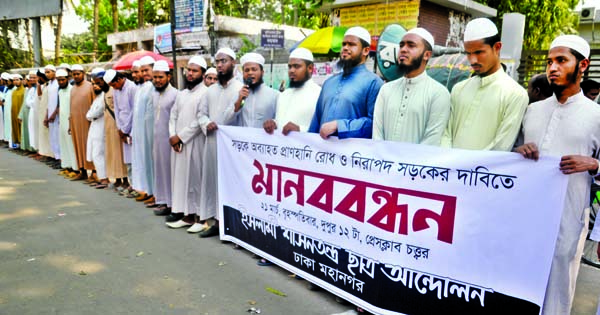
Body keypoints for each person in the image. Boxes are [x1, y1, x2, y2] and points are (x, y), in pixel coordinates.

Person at [514, 35, 600, 315]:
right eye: (550, 61)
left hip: (570, 215)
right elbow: (512, 159)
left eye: (561, 60)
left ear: (582, 65)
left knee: (558, 288)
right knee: (520, 279)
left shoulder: (596, 115)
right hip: (527, 213)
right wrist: (519, 150)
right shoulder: (532, 111)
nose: (552, 67)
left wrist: (594, 164)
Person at [441, 18, 528, 151]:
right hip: (450, 168)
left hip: (483, 170)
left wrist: (468, 168)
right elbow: (446, 133)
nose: (472, 60)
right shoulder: (459, 89)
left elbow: (502, 146)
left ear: (497, 47)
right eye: (468, 53)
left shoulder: (516, 94)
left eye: (478, 52)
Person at [372, 27, 450, 145]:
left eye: (411, 45)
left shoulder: (439, 93)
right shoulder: (386, 90)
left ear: (427, 55)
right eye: (401, 45)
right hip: (384, 162)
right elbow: (377, 135)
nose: (403, 49)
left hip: (417, 162)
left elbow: (432, 141)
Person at [196, 47, 244, 237]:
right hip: (212, 143)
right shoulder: (210, 91)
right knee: (213, 181)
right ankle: (216, 221)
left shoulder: (241, 88)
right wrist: (206, 123)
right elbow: (201, 114)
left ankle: (232, 224)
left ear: (233, 62)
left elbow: (233, 117)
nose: (220, 65)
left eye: (224, 61)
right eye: (217, 62)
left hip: (232, 147)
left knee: (231, 183)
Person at [308, 26, 383, 139]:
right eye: (344, 44)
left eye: (351, 44)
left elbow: (374, 124)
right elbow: (316, 122)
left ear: (366, 50)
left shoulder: (374, 83)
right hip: (323, 153)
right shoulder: (329, 83)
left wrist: (340, 126)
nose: (345, 48)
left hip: (353, 154)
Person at [165, 56, 208, 231]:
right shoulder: (182, 94)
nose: (190, 74)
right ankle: (187, 215)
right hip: (179, 144)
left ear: (203, 74)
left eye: (194, 70)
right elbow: (172, 116)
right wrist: (172, 135)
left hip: (195, 143)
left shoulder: (206, 93)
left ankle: (201, 219)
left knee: (196, 180)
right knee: (181, 180)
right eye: (188, 70)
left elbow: (200, 121)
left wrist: (180, 136)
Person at [263, 47, 321, 135]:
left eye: (297, 66)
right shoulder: (284, 94)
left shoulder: (319, 94)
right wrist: (274, 123)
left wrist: (300, 129)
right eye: (290, 67)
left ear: (310, 68)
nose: (291, 71)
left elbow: (323, 129)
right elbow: (281, 121)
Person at [148, 60, 177, 211]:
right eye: (155, 77)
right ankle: (163, 200)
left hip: (170, 140)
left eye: (160, 77)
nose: (157, 80)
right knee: (159, 170)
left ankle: (172, 204)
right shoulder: (154, 94)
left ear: (169, 77)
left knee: (169, 171)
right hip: (157, 139)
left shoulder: (175, 95)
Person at [95, 68, 128, 190]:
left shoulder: (114, 92)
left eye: (99, 83)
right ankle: (117, 179)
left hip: (117, 127)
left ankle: (125, 180)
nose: (98, 85)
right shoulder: (106, 92)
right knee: (112, 155)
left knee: (120, 155)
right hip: (108, 128)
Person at [105, 69, 137, 195]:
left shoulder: (131, 88)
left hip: (132, 128)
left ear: (119, 79)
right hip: (122, 129)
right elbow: (117, 111)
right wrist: (119, 128)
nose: (113, 88)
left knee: (135, 159)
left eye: (114, 84)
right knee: (128, 159)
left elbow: (133, 111)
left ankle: (137, 186)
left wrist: (125, 129)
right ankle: (132, 184)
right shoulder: (116, 90)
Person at [226, 52, 278, 128]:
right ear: (243, 73)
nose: (250, 73)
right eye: (246, 70)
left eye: (254, 69)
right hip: (244, 139)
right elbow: (226, 121)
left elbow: (281, 119)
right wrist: (238, 102)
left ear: (262, 72)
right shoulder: (238, 95)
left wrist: (274, 122)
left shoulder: (274, 95)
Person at [130, 56, 156, 203]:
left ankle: (154, 192)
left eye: (146, 70)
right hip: (140, 131)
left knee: (150, 162)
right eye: (142, 70)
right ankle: (147, 190)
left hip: (150, 132)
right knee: (142, 161)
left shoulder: (154, 87)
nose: (144, 73)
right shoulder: (142, 88)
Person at [69, 64, 96, 182]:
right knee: (78, 146)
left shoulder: (90, 86)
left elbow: (95, 104)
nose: (75, 76)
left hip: (87, 122)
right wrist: (70, 123)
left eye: (78, 74)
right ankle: (82, 171)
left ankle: (94, 172)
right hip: (75, 122)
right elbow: (71, 106)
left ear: (83, 74)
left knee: (89, 146)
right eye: (74, 74)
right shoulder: (73, 88)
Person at [86, 69, 109, 189]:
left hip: (101, 127)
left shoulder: (105, 95)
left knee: (98, 153)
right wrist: (89, 115)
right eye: (94, 84)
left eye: (98, 83)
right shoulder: (98, 96)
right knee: (96, 153)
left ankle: (104, 179)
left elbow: (93, 113)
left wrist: (89, 115)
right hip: (95, 126)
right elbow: (90, 113)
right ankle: (102, 177)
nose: (95, 86)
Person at [56, 69, 78, 173]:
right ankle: (67, 166)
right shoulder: (60, 91)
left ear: (68, 79)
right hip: (62, 121)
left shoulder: (72, 90)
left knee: (71, 144)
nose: (60, 82)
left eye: (62, 80)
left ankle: (76, 169)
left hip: (70, 121)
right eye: (58, 80)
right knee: (63, 143)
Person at [45, 64, 61, 165]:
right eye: (45, 72)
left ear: (54, 72)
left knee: (58, 136)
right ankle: (56, 157)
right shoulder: (49, 84)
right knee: (52, 136)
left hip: (57, 115)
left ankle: (61, 159)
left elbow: (59, 101)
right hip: (50, 114)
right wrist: (46, 115)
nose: (47, 74)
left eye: (48, 72)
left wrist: (54, 113)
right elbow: (49, 101)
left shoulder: (58, 83)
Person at [10, 74, 25, 150]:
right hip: (14, 113)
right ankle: (17, 143)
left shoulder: (24, 90)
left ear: (21, 80)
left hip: (21, 112)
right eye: (14, 80)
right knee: (15, 127)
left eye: (17, 80)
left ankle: (22, 143)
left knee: (21, 127)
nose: (15, 82)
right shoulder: (14, 91)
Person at [3, 75, 14, 148]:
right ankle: (8, 140)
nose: (8, 83)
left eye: (10, 81)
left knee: (11, 126)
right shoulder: (7, 89)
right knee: (7, 125)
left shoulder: (14, 89)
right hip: (6, 110)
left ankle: (12, 142)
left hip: (11, 110)